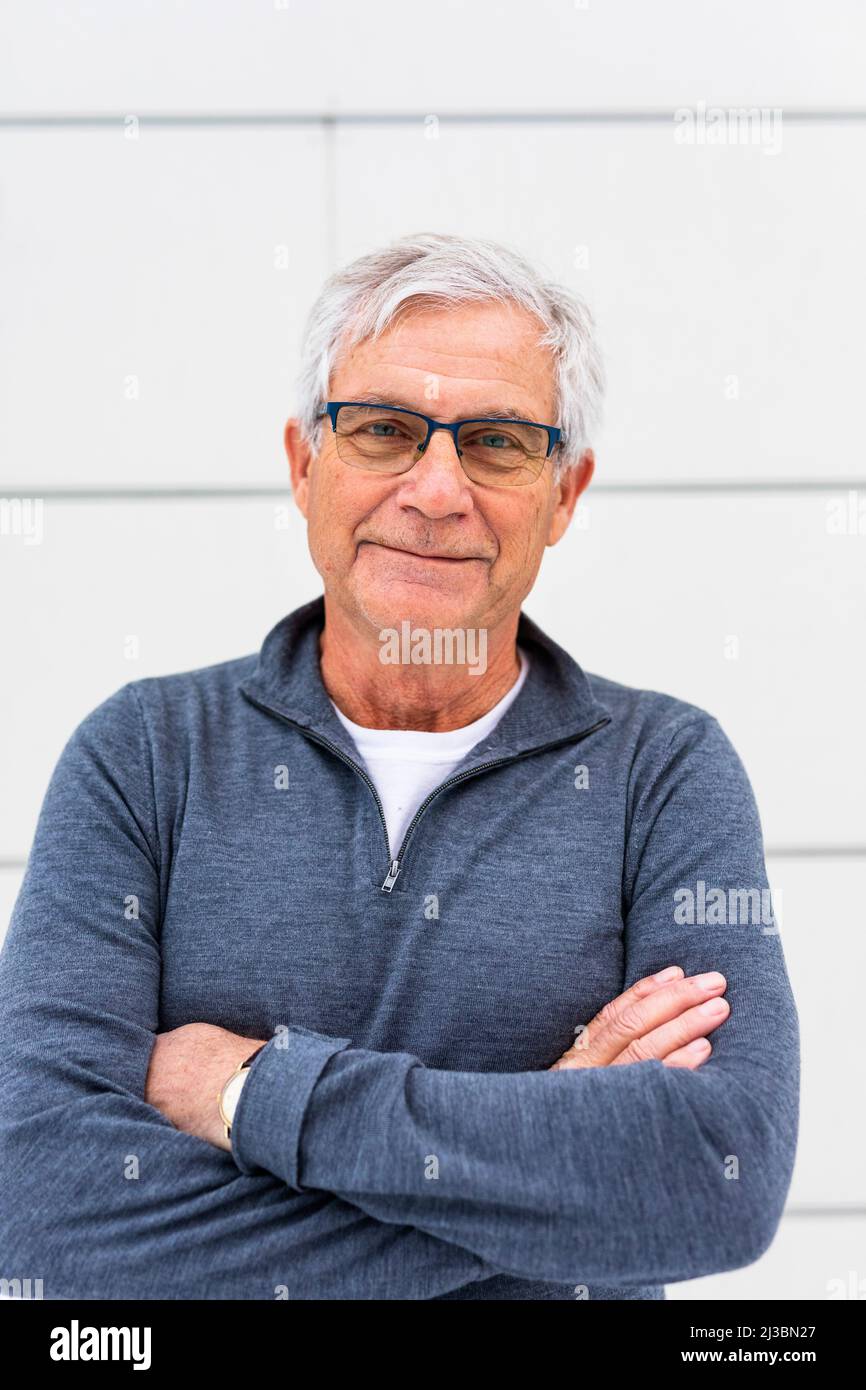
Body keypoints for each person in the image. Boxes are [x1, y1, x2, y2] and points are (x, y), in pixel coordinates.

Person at [0, 232, 799, 1300]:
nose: (433, 490)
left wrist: (249, 1092)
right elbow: (44, 1218)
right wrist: (548, 1166)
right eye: (381, 431)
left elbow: (715, 1178)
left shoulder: (664, 770)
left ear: (564, 495)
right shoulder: (142, 756)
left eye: (497, 443)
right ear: (303, 464)